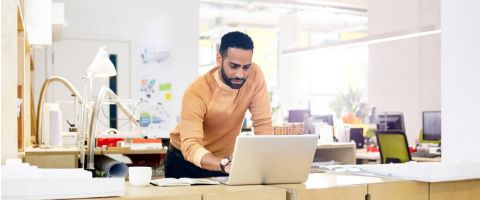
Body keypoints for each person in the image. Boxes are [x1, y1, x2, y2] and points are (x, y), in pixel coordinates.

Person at [164, 31, 273, 178]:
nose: (240, 74)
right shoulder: (197, 91)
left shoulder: (255, 74)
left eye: (246, 67)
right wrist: (223, 164)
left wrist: (267, 164)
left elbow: (263, 124)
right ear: (219, 59)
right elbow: (190, 145)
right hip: (184, 162)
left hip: (224, 162)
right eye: (233, 66)